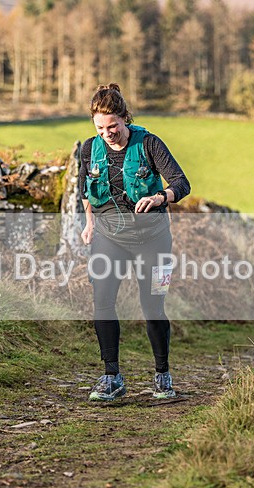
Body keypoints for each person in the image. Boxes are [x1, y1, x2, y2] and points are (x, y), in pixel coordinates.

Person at [79, 83, 191, 402]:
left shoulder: (150, 144)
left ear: (125, 118)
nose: (107, 133)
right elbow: (85, 192)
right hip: (109, 237)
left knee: (152, 304)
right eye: (100, 128)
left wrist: (160, 197)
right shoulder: (89, 149)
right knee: (102, 301)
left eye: (112, 126)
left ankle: (162, 376)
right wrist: (89, 226)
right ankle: (111, 377)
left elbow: (182, 184)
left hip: (153, 239)